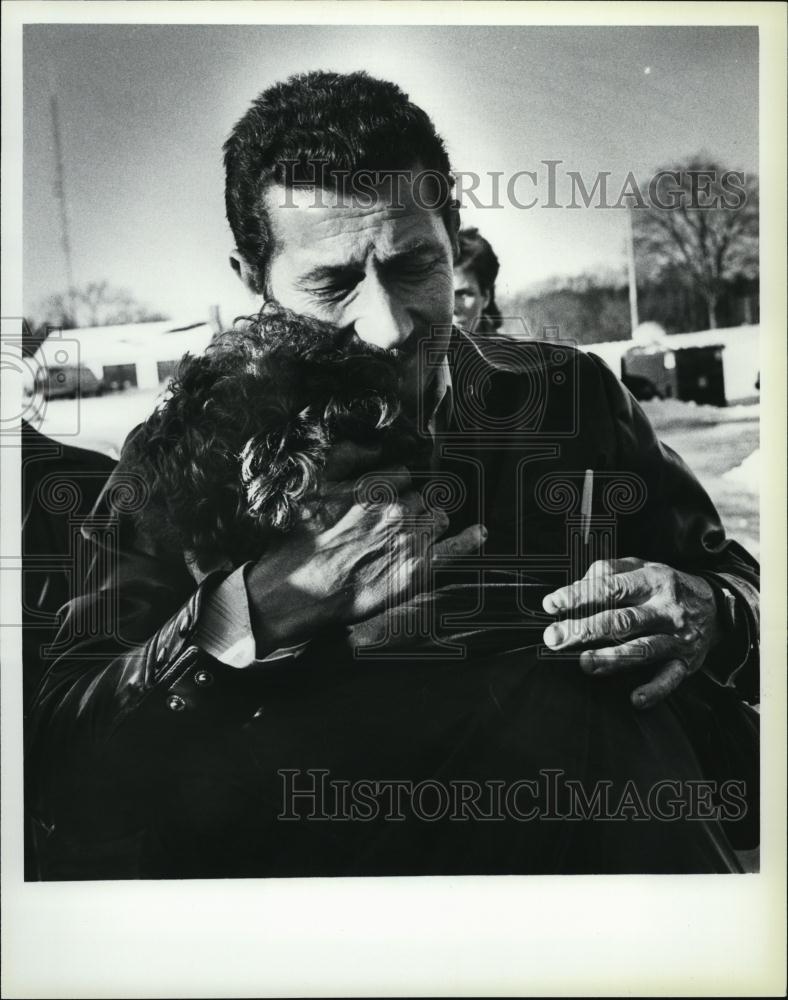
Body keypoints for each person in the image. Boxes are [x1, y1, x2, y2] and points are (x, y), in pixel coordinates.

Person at [26, 70, 760, 878]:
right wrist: (245, 617)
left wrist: (706, 610)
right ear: (252, 281)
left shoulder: (570, 396)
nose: (388, 325)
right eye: (332, 283)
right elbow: (64, 759)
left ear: (453, 241)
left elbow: (735, 584)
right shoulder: (184, 459)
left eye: (414, 266)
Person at [452, 226, 504, 335]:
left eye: (463, 294)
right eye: (443, 294)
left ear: (485, 297)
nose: (452, 308)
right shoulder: (417, 350)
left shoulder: (516, 352)